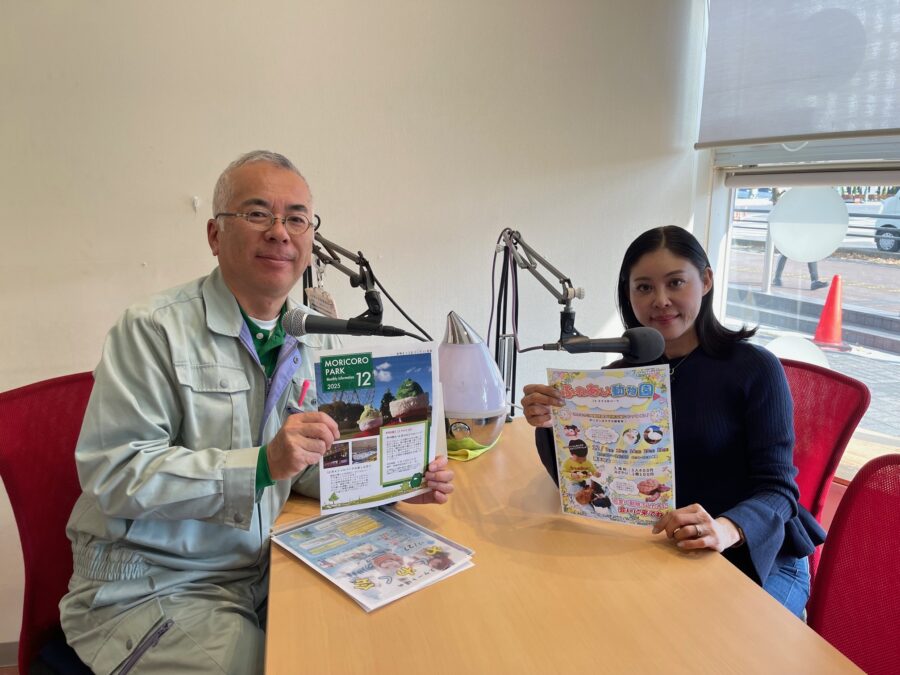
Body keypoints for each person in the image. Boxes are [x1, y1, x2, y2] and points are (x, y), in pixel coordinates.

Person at [60, 151, 455, 674]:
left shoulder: (316, 337)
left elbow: (307, 465)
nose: (279, 232)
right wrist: (262, 463)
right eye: (257, 213)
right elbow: (114, 473)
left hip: (266, 566)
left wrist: (395, 481)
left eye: (296, 218)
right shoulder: (152, 329)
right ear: (214, 234)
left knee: (387, 644)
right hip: (155, 583)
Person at [521, 225, 824, 619]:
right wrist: (551, 425)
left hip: (757, 555)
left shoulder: (754, 368)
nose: (660, 300)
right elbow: (583, 479)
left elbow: (779, 490)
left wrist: (726, 528)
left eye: (676, 282)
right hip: (667, 548)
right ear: (628, 295)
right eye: (644, 287)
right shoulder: (620, 380)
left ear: (706, 280)